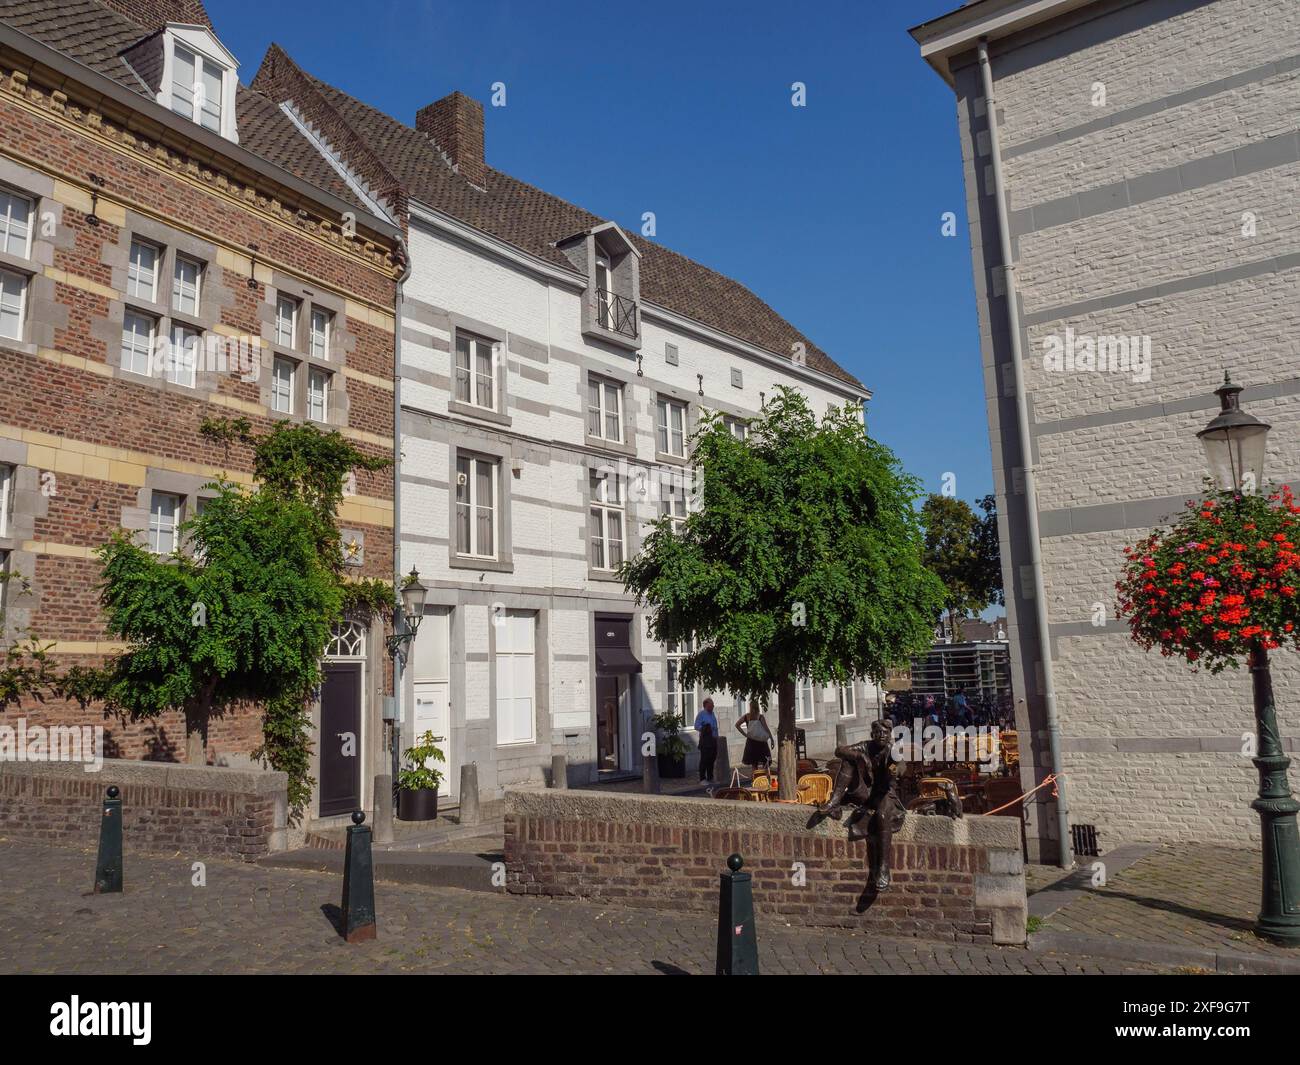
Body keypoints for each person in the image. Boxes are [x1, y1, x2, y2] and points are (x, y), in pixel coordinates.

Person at [736, 699, 773, 771]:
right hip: (761, 742)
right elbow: (766, 729)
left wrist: (745, 734)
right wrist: (771, 739)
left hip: (751, 742)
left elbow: (737, 725)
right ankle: (764, 778)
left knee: (754, 763)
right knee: (765, 762)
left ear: (750, 707)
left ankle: (755, 780)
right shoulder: (760, 717)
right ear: (757, 707)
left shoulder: (747, 716)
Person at [693, 697, 719, 783]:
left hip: (713, 740)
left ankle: (710, 777)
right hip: (705, 741)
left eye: (713, 705)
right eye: (711, 705)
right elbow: (696, 726)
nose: (713, 706)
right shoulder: (701, 714)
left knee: (712, 759)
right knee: (704, 759)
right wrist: (704, 728)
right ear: (706, 705)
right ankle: (702, 778)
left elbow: (715, 727)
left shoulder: (712, 714)